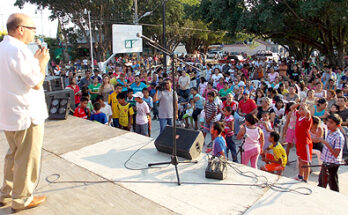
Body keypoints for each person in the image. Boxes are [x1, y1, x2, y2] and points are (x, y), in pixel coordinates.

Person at [0, 13, 50, 211]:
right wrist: (42, 62)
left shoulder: (3, 48)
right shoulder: (19, 50)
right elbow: (36, 83)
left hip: (9, 113)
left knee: (13, 155)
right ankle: (22, 199)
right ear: (21, 29)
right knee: (27, 158)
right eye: (32, 29)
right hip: (26, 114)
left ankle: (6, 193)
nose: (34, 33)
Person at [317, 114, 345, 192]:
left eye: (331, 122)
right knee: (321, 182)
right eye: (328, 122)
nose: (328, 124)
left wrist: (326, 144)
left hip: (332, 164)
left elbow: (336, 154)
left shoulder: (339, 137)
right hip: (325, 161)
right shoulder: (329, 131)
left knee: (333, 184)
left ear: (338, 125)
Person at [292, 103, 313, 183]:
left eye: (302, 109)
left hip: (305, 143)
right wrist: (299, 103)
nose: (300, 110)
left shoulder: (307, 119)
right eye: (300, 108)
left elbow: (308, 113)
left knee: (305, 161)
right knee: (300, 159)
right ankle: (300, 175)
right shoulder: (299, 116)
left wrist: (305, 107)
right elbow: (292, 107)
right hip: (299, 142)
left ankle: (305, 179)